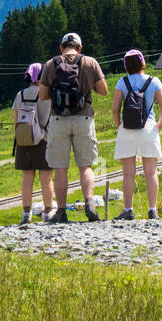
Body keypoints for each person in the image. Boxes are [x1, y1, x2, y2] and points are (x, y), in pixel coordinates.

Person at [37, 32, 108, 223]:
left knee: (60, 168)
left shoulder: (51, 64)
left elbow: (42, 95)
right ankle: (89, 203)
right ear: (80, 48)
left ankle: (61, 212)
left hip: (59, 120)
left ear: (61, 47)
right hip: (84, 118)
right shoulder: (90, 62)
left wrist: (59, 96)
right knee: (85, 166)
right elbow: (103, 90)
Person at [112, 49, 162, 221]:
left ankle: (128, 210)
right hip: (148, 129)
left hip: (127, 130)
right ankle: (152, 210)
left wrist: (119, 126)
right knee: (151, 172)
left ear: (126, 65)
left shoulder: (122, 82)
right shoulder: (154, 81)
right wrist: (158, 125)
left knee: (128, 173)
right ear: (143, 63)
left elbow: (115, 109)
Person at [12, 62, 55, 225]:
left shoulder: (20, 95)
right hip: (44, 140)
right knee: (46, 178)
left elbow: (16, 120)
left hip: (24, 141)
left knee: (27, 178)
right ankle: (48, 211)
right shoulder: (47, 94)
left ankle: (26, 213)